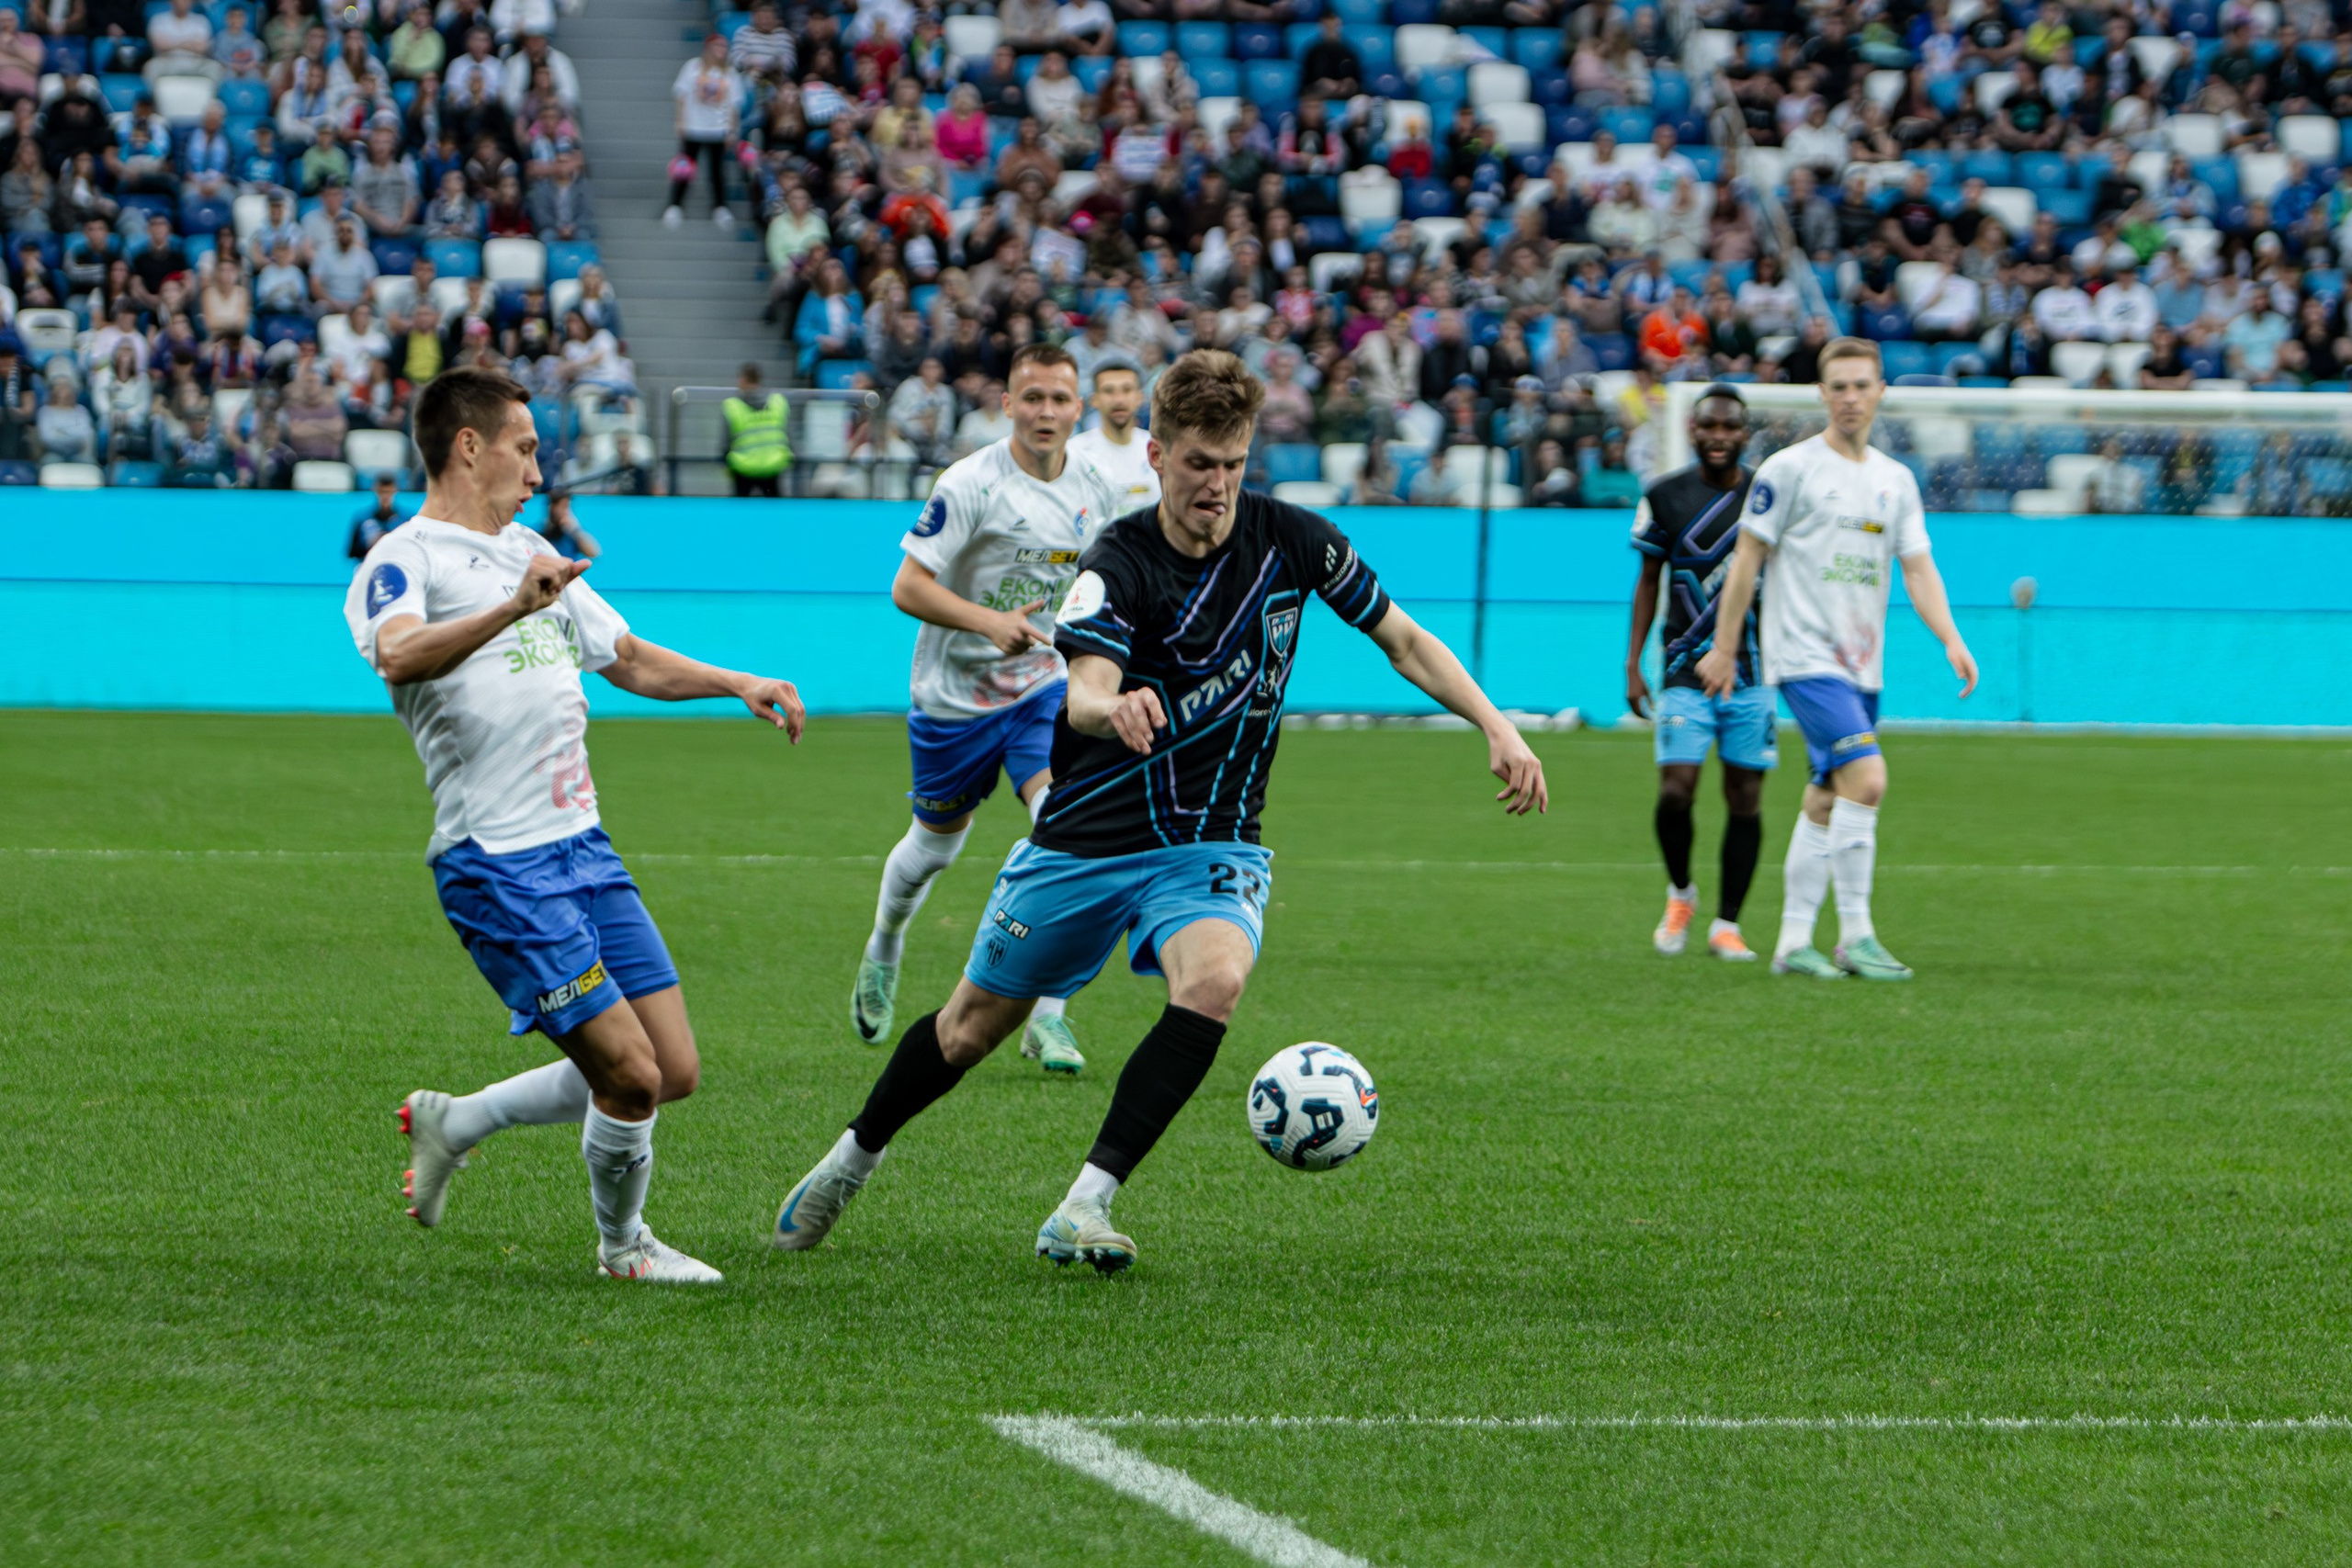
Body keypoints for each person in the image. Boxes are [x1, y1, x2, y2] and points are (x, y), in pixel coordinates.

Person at [774, 349, 1547, 1271]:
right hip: (1087, 837)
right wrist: (1114, 708)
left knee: (1215, 981)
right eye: (1197, 463)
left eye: (1233, 463)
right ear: (1156, 454)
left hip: (1212, 840)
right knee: (971, 1027)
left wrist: (1497, 725)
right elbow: (1081, 694)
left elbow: (1405, 641)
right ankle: (854, 1156)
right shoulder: (1117, 560)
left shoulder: (1298, 539)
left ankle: (1084, 1205)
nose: (1216, 484)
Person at [352, 366, 806, 1282]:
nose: (536, 469)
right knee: (629, 1076)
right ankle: (623, 1247)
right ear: (469, 447)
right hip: (497, 864)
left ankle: (459, 1120)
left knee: (670, 1068)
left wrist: (738, 682)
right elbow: (398, 656)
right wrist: (513, 607)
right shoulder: (405, 558)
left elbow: (626, 657)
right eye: (524, 448)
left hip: (583, 849)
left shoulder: (529, 548)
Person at [843, 342, 1125, 1076]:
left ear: (1078, 408)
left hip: (1042, 688)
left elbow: (1103, 584)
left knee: (1064, 825)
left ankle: (1048, 1014)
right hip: (954, 696)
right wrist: (988, 622)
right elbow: (908, 587)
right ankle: (884, 944)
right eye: (1031, 397)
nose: (1045, 411)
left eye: (1059, 399)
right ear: (1006, 405)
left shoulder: (1096, 488)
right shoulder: (971, 483)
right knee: (934, 846)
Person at [1697, 339, 1978, 981]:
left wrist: (1950, 638)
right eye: (1839, 387)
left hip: (1861, 666)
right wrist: (1725, 646)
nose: (1851, 398)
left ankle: (1793, 942)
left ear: (1880, 392)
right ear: (1822, 394)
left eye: (1861, 385)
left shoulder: (1895, 480)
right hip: (1804, 657)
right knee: (1868, 778)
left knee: (1827, 795)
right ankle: (1856, 935)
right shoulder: (1789, 469)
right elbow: (1746, 561)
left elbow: (1918, 568)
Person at [1626, 387, 1769, 963]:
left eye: (1729, 427)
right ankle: (1681, 893)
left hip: (1754, 670)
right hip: (1683, 667)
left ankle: (1727, 925)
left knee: (1745, 797)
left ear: (1745, 433)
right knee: (1675, 790)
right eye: (1708, 425)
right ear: (1692, 430)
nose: (1718, 436)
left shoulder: (1768, 495)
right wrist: (1633, 664)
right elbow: (1648, 581)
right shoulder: (1664, 495)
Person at [1063, 356, 1159, 520]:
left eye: (1126, 390)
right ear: (1094, 400)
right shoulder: (1075, 452)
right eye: (1109, 391)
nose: (1119, 400)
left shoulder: (1158, 448)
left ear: (1140, 397)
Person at [722, 361, 790, 497]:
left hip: (743, 467)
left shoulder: (732, 406)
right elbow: (787, 434)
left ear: (743, 379)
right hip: (773, 465)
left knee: (740, 509)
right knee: (774, 509)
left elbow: (725, 442)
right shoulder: (778, 402)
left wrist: (724, 461)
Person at [346, 470, 405, 558]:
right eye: (382, 492)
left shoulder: (405, 520)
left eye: (388, 492)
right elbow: (353, 552)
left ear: (395, 490)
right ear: (375, 490)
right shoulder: (363, 519)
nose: (385, 496)